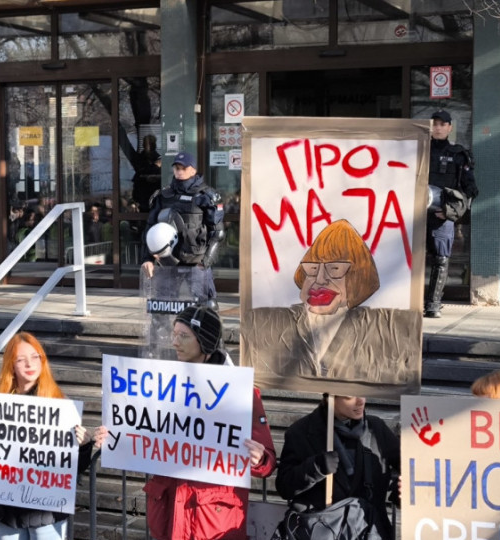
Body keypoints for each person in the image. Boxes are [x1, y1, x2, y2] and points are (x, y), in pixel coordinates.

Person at [144, 306, 277, 540]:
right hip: (166, 518)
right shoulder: (162, 384)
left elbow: (268, 460)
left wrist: (258, 459)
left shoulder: (240, 391)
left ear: (205, 342)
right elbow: (143, 434)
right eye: (173, 334)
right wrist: (118, 436)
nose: (175, 342)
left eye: (183, 336)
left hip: (210, 525)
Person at [242, 219, 422, 387]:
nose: (319, 279)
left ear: (357, 277)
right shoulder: (266, 323)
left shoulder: (387, 330)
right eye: (312, 269)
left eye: (334, 269)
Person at [0, 332, 107, 540]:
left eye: (35, 357)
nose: (29, 364)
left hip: (46, 511)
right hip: (7, 509)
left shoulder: (60, 405)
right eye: (21, 359)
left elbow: (74, 469)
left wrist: (83, 446)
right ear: (10, 365)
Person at [275, 395, 400, 540]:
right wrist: (316, 468)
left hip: (370, 539)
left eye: (363, 393)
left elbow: (412, 471)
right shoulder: (301, 431)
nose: (360, 401)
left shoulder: (377, 429)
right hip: (320, 539)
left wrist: (402, 491)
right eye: (350, 396)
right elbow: (284, 486)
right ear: (330, 397)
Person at [141, 151, 225, 306]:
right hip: (167, 261)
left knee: (205, 307)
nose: (179, 171)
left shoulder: (205, 196)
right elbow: (151, 229)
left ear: (193, 170)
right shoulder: (164, 196)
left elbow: (217, 233)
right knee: (161, 308)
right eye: (176, 168)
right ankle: (166, 331)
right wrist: (148, 258)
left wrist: (205, 261)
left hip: (196, 261)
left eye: (183, 168)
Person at [425, 110, 478, 318]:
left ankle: (433, 304)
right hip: (415, 215)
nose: (437, 127)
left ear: (449, 127)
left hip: (441, 216)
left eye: (442, 124)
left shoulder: (458, 155)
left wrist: (450, 213)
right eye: (434, 123)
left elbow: (471, 190)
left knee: (440, 259)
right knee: (411, 258)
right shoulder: (418, 150)